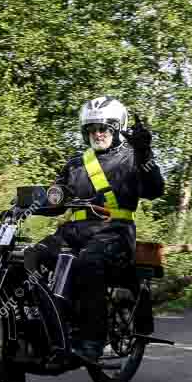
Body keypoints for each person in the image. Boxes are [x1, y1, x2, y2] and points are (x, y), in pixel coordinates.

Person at [23, 95, 164, 365]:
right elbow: (55, 201)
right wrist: (22, 205)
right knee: (30, 257)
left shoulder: (132, 157)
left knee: (89, 262)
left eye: (104, 128)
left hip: (114, 232)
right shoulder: (76, 163)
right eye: (91, 129)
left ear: (116, 128)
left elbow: (155, 189)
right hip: (73, 232)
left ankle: (93, 340)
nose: (97, 133)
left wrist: (145, 154)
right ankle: (46, 322)